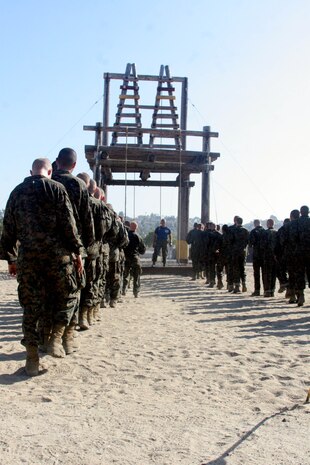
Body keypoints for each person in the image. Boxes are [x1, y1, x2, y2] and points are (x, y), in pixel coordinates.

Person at [0, 158, 84, 376]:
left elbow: (7, 229)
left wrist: (11, 259)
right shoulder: (57, 189)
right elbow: (69, 224)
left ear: (31, 171)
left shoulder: (17, 192)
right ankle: (57, 336)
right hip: (58, 259)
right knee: (68, 295)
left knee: (31, 308)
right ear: (50, 171)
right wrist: (78, 252)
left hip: (29, 260)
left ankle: (32, 360)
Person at [122, 221, 146, 298]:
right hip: (134, 257)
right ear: (136, 228)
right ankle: (136, 292)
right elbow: (143, 250)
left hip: (125, 257)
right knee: (136, 275)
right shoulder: (138, 237)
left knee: (125, 274)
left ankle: (123, 289)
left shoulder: (125, 235)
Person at [230, 216, 249, 293]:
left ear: (236, 222)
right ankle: (244, 284)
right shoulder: (246, 231)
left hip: (235, 252)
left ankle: (237, 286)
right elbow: (248, 241)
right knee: (242, 268)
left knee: (236, 268)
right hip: (243, 252)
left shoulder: (233, 230)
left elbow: (230, 241)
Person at [262, 218, 278, 297]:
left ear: (268, 224)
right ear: (273, 224)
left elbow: (262, 245)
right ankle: (272, 290)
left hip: (266, 256)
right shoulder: (276, 233)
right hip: (275, 256)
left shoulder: (264, 233)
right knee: (273, 274)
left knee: (266, 274)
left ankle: (267, 291)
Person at [249, 219, 265, 296]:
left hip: (256, 255)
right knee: (265, 273)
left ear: (255, 224)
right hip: (264, 255)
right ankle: (267, 290)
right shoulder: (265, 231)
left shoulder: (253, 232)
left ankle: (257, 290)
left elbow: (250, 243)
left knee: (256, 273)